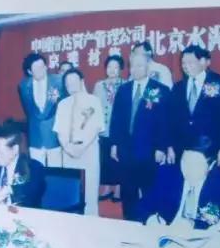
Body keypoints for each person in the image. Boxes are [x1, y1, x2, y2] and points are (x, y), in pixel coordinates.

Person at [109, 51, 172, 222]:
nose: (135, 70)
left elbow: (164, 122)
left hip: (149, 150)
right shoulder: (124, 89)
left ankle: (149, 223)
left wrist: (161, 147)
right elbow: (116, 119)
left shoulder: (159, 90)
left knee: (149, 189)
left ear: (148, 67)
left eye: (139, 66)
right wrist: (114, 144)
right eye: (132, 66)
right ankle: (129, 222)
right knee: (128, 190)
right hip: (125, 149)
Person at [142, 149, 220, 232]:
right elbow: (141, 207)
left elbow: (216, 221)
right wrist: (151, 220)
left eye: (196, 165)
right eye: (185, 162)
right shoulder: (167, 176)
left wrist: (192, 225)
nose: (188, 170)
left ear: (210, 166)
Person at [170, 45, 220, 167]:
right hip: (183, 149)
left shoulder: (218, 83)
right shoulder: (178, 87)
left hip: (209, 148)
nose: (186, 66)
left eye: (190, 62)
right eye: (183, 63)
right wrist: (170, 146)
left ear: (202, 61)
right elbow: (171, 120)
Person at [53, 68, 103, 216]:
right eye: (68, 84)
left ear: (82, 81)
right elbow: (59, 130)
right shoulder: (62, 104)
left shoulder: (94, 101)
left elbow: (96, 128)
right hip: (68, 151)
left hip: (89, 150)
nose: (71, 87)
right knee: (71, 191)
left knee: (90, 191)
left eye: (74, 82)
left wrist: (82, 147)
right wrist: (68, 147)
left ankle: (91, 223)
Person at [17, 52, 64, 167]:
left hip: (54, 135)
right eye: (37, 68)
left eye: (43, 66)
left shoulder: (58, 82)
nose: (41, 70)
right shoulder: (23, 86)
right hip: (35, 136)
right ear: (29, 71)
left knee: (56, 171)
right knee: (36, 170)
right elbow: (28, 110)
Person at [92, 54, 126, 201]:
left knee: (118, 159)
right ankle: (106, 188)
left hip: (120, 129)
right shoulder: (99, 85)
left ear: (121, 69)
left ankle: (118, 189)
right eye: (109, 66)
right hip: (103, 128)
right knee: (105, 159)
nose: (112, 70)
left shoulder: (126, 85)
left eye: (116, 67)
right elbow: (93, 107)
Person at [0, 125, 46, 209]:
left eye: (0, 152)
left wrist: (9, 190)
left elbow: (30, 196)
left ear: (15, 149)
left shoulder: (34, 167)